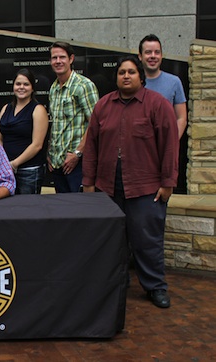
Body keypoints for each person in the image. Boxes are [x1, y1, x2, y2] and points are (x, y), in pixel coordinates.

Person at [82, 56, 179, 308]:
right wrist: (89, 183)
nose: (126, 76)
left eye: (132, 72)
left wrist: (168, 183)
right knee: (113, 241)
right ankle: (117, 283)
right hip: (108, 186)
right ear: (116, 77)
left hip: (146, 188)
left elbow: (170, 146)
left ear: (141, 76)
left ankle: (155, 287)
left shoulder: (158, 105)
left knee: (148, 241)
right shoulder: (103, 106)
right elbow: (91, 146)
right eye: (122, 72)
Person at [47, 41, 99, 193]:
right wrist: (50, 153)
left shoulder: (84, 86)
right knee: (63, 211)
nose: (58, 61)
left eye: (62, 57)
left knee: (80, 211)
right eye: (54, 58)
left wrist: (77, 154)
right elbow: (56, 124)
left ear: (71, 59)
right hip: (58, 163)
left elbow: (95, 124)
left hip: (77, 164)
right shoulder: (54, 88)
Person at [0, 68, 49, 194]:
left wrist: (14, 164)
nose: (21, 87)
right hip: (6, 170)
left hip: (29, 171)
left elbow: (37, 145)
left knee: (28, 210)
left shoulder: (38, 110)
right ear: (13, 86)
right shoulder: (5, 108)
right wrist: (4, 163)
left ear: (32, 88)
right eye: (18, 84)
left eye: (26, 84)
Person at [138, 34, 187, 139]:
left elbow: (181, 117)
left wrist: (171, 143)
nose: (153, 56)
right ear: (140, 56)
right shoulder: (134, 83)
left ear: (161, 55)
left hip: (165, 146)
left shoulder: (174, 82)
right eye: (148, 52)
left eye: (157, 52)